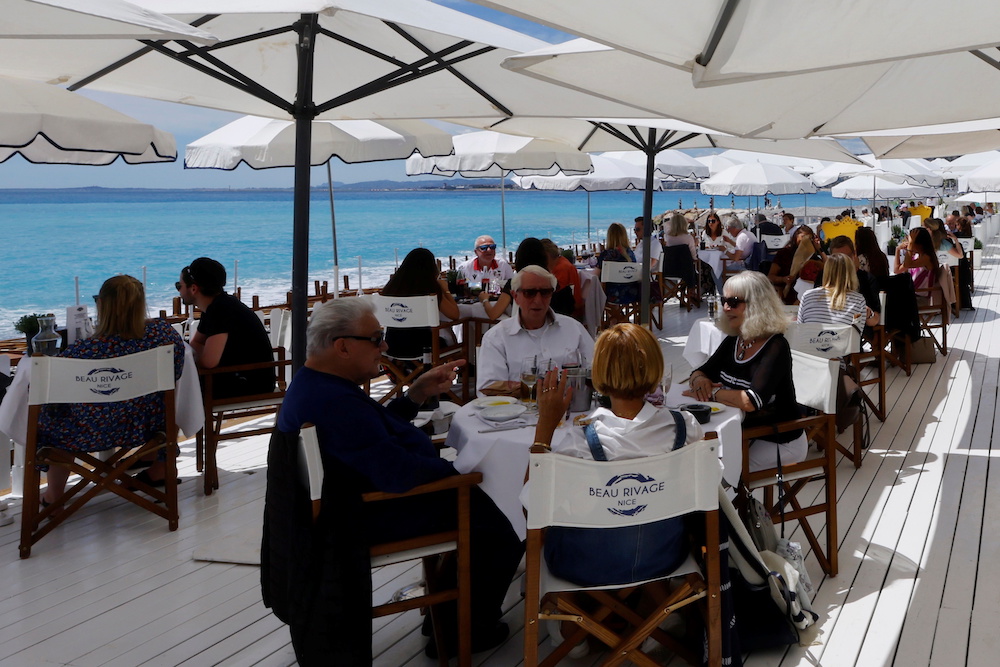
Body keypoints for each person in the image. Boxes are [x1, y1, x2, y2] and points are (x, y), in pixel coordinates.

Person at [275, 298, 522, 661]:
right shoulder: (333, 402)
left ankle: (451, 614)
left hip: (353, 505)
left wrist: (415, 394)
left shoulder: (318, 384)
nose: (385, 346)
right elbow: (397, 473)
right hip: (365, 517)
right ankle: (461, 632)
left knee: (488, 499)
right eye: (376, 339)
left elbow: (373, 441)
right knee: (506, 514)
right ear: (342, 346)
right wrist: (461, 472)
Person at [530, 323, 702, 587]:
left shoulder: (579, 442)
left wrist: (545, 425)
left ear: (598, 371)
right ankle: (646, 605)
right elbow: (704, 493)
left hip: (585, 565)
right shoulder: (685, 427)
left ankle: (586, 619)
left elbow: (532, 505)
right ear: (655, 367)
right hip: (663, 557)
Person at [38, 275, 185, 503]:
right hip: (147, 427)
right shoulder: (164, 336)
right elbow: (176, 376)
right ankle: (162, 466)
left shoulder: (83, 351)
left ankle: (55, 497)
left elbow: (44, 389)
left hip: (85, 433)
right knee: (170, 403)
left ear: (103, 305)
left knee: (50, 417)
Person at [684, 271, 807, 472]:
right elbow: (701, 371)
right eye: (724, 300)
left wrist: (712, 394)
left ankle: (738, 503)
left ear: (757, 305)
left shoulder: (776, 346)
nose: (725, 307)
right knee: (699, 462)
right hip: (744, 434)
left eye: (733, 302)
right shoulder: (735, 340)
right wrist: (699, 381)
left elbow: (752, 401)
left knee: (712, 470)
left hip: (778, 440)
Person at [477, 265, 594, 395]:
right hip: (518, 412)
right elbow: (489, 387)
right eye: (529, 293)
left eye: (545, 292)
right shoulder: (496, 337)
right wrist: (542, 386)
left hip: (572, 409)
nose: (538, 300)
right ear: (515, 296)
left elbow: (596, 369)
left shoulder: (573, 328)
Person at [177, 257, 274, 398]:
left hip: (251, 382)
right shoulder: (216, 306)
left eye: (179, 285)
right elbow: (197, 343)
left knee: (176, 390)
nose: (179, 291)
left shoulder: (221, 310)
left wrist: (185, 362)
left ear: (193, 288)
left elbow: (209, 362)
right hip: (241, 374)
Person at [380, 247, 460, 360]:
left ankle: (405, 373)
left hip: (393, 346)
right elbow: (455, 315)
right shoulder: (430, 288)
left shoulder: (390, 288)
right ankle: (463, 372)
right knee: (447, 330)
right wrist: (445, 290)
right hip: (425, 347)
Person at [812, 236, 882, 324]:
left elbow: (875, 320)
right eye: (837, 258)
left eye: (846, 257)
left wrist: (868, 314)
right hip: (825, 326)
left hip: (856, 330)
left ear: (854, 255)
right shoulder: (823, 275)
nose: (842, 262)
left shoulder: (867, 279)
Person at [799, 253, 879, 327]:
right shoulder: (857, 300)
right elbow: (857, 329)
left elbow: (800, 328)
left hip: (810, 341)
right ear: (851, 273)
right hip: (845, 342)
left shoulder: (807, 296)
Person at [767, 224, 825, 304]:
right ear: (796, 237)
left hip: (806, 298)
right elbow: (770, 276)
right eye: (803, 237)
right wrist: (783, 279)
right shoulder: (784, 253)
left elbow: (828, 268)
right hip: (784, 296)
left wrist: (819, 249)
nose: (805, 240)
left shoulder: (811, 256)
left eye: (809, 238)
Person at [597, 222, 639, 308]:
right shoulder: (630, 254)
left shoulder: (606, 255)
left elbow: (597, 273)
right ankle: (619, 317)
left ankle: (613, 318)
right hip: (632, 293)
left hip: (612, 295)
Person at [541, 238, 583, 318]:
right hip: (564, 308)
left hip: (569, 312)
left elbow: (555, 296)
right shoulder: (560, 262)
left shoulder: (562, 268)